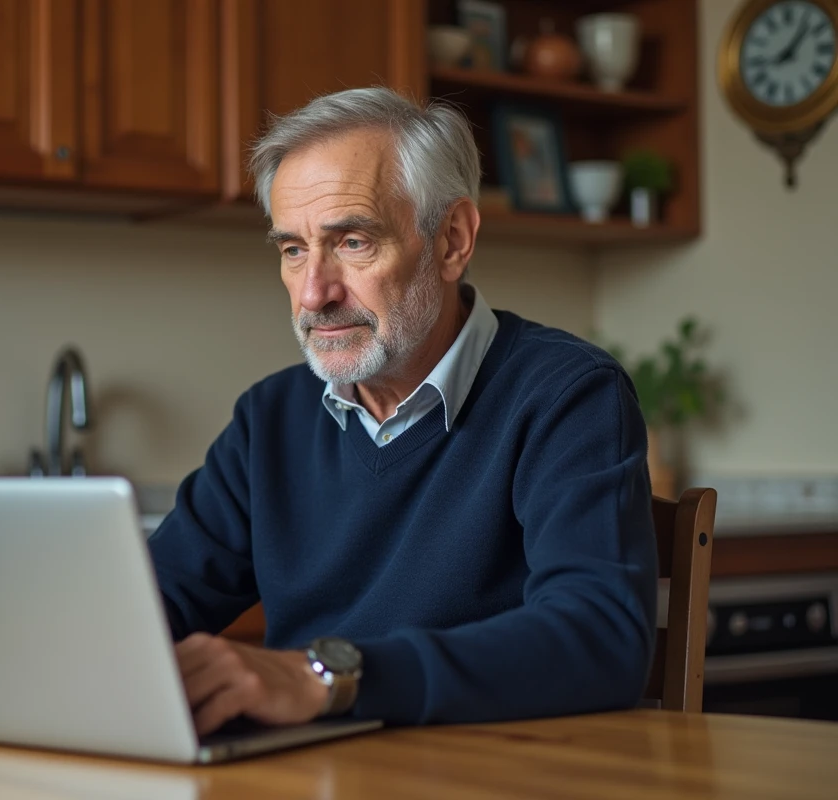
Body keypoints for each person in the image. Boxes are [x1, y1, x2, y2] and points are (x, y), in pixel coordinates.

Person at [147, 88, 656, 735]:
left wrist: (325, 676)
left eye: (352, 241)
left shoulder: (567, 395)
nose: (314, 294)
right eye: (293, 249)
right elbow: (141, 607)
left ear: (451, 240)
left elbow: (602, 636)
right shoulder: (268, 419)